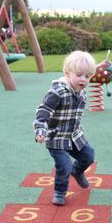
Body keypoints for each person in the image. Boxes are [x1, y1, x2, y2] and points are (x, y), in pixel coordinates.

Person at [33, 50, 97, 205]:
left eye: (87, 76)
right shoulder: (58, 92)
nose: (83, 79)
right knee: (64, 166)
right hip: (57, 138)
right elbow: (43, 111)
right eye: (79, 75)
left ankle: (78, 171)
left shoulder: (81, 91)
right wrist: (40, 131)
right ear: (68, 74)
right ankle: (60, 192)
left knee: (89, 155)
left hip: (74, 136)